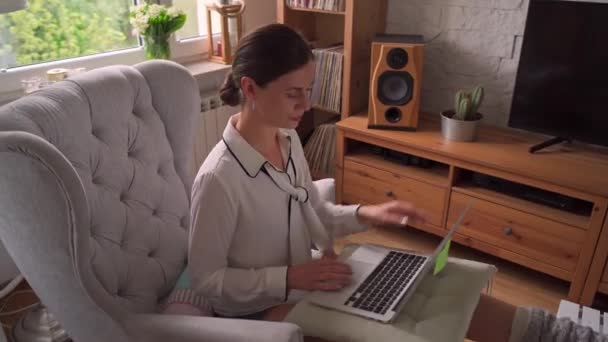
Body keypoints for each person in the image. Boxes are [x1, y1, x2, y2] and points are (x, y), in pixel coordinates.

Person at [185, 23, 608, 342]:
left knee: (427, 282)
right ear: (249, 88)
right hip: (259, 312)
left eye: (310, 89)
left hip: (307, 282)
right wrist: (291, 277)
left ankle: (560, 333)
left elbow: (313, 211)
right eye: (294, 93)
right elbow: (207, 282)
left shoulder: (288, 140)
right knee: (404, 323)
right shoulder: (218, 180)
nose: (307, 104)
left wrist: (371, 213)